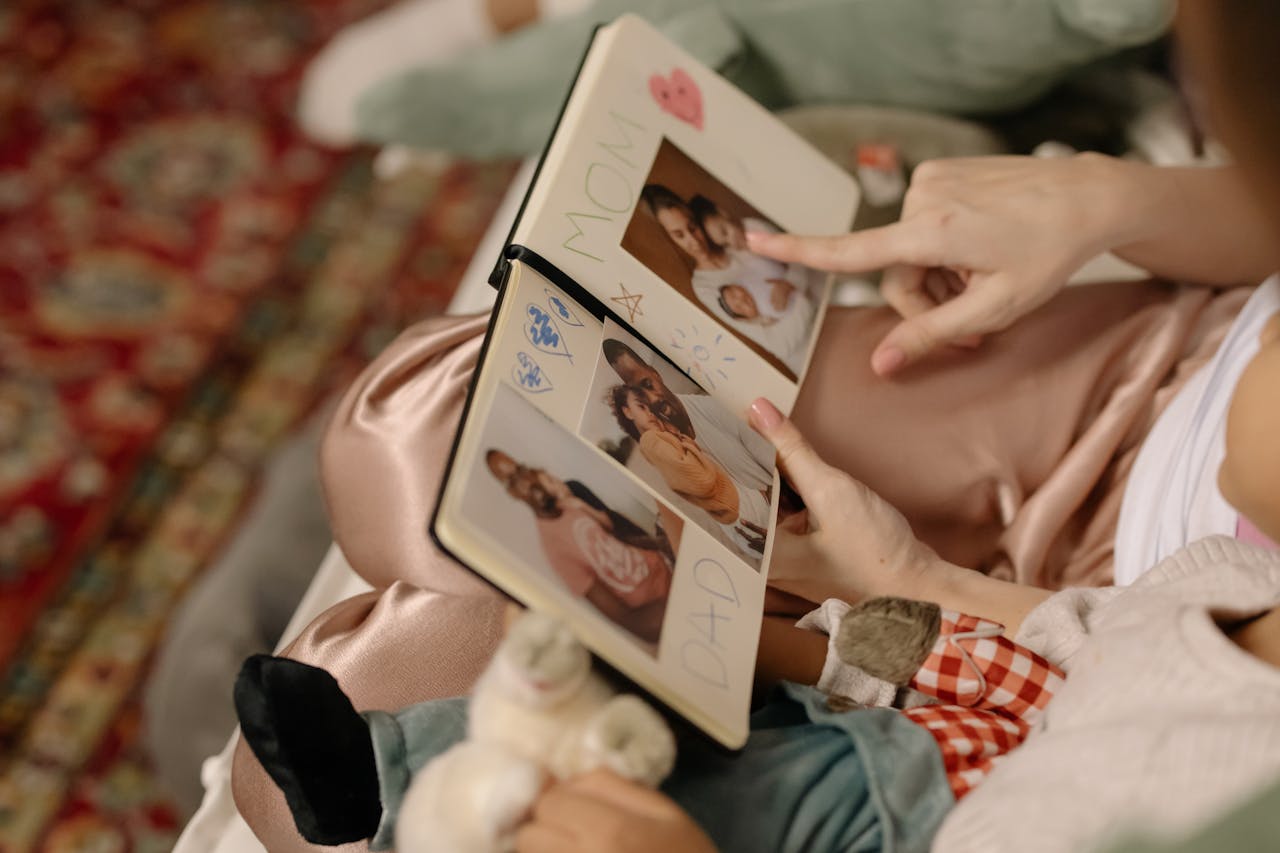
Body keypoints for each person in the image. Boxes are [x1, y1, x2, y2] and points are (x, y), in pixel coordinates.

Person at [227, 6, 1280, 850]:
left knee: (340, 759)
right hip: (1131, 389)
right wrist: (1109, 201)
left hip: (1014, 690)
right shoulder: (1223, 553)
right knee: (417, 433)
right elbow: (1111, 643)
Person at [485, 449, 674, 644]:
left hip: (665, 565)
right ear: (512, 493)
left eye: (520, 469)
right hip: (659, 601)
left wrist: (665, 548)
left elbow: (618, 535)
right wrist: (672, 607)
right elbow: (626, 619)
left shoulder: (570, 503)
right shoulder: (554, 548)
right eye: (511, 480)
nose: (523, 480)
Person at [640, 186, 816, 373]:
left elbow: (804, 255)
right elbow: (780, 345)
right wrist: (805, 298)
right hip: (808, 357)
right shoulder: (705, 287)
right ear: (671, 239)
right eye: (679, 235)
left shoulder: (732, 236)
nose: (693, 240)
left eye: (692, 227)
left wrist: (791, 284)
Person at [606, 385, 769, 555]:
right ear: (628, 412)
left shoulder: (656, 438)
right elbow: (701, 481)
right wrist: (685, 441)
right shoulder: (650, 440)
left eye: (649, 407)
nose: (650, 413)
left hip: (731, 509)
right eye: (641, 406)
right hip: (738, 507)